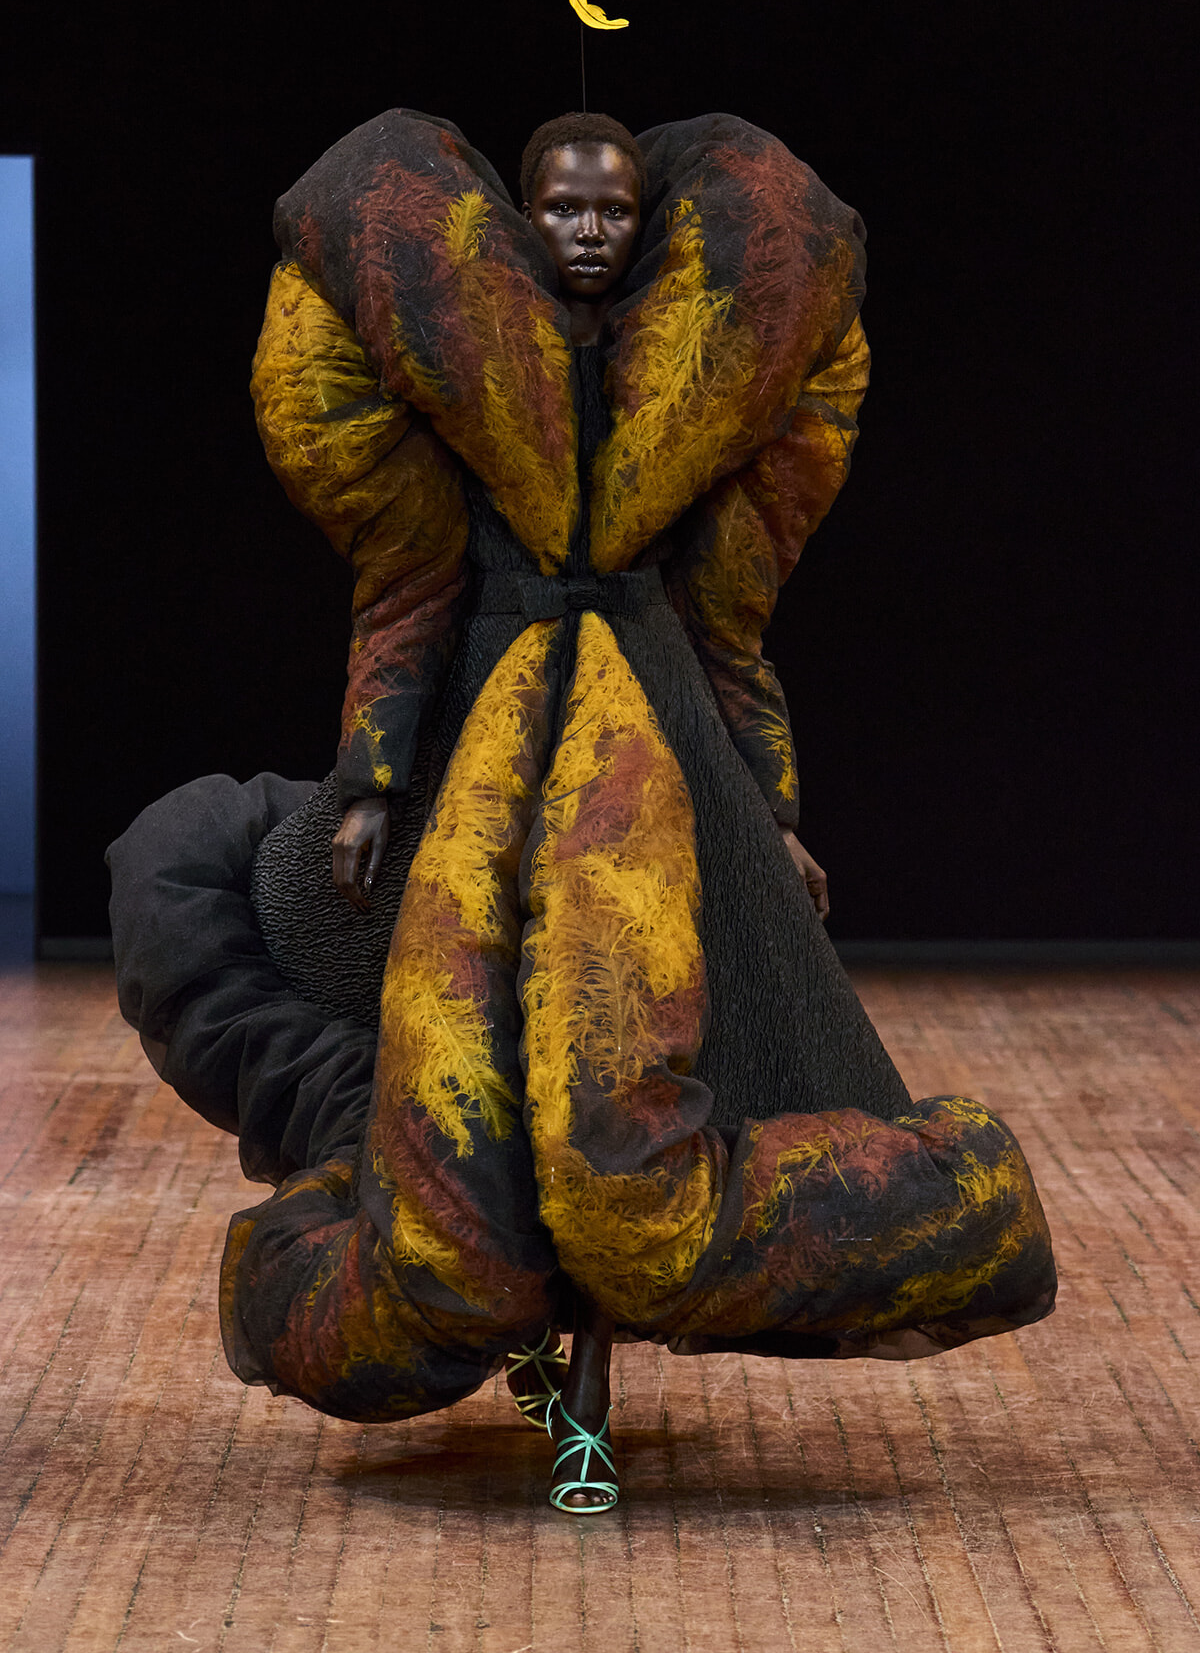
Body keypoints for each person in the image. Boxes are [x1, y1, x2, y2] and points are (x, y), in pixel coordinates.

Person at [108, 106, 1056, 1515]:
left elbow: (729, 622)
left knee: (637, 1063)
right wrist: (373, 775)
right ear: (521, 226)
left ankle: (592, 1378)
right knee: (477, 1056)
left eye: (614, 213)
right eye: (565, 212)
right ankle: (527, 1338)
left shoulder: (687, 388)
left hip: (653, 753)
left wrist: (772, 809)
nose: (592, 234)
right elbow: (408, 584)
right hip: (487, 740)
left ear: (651, 226)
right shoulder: (478, 384)